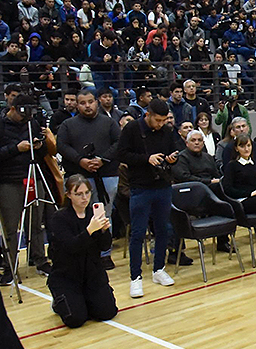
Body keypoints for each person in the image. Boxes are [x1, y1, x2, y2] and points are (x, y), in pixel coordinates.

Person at [116, 99, 179, 298]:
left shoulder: (167, 131)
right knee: (138, 233)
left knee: (163, 230)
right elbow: (122, 154)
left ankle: (158, 269)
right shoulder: (132, 129)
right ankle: (135, 277)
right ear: (148, 115)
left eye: (164, 120)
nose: (160, 124)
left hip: (163, 185)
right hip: (140, 187)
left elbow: (174, 150)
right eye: (158, 120)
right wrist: (146, 159)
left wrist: (171, 158)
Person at [56, 89, 121, 270]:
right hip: (79, 176)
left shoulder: (109, 122)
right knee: (79, 214)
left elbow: (119, 143)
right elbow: (61, 146)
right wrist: (80, 160)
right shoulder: (68, 125)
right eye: (83, 103)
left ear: (96, 102)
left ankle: (104, 253)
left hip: (107, 174)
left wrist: (102, 159)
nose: (87, 106)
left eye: (90, 102)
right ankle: (82, 250)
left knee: (104, 214)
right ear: (77, 105)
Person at [0, 95, 54, 285]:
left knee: (36, 223)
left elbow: (44, 152)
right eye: (22, 113)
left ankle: (40, 260)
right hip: (8, 181)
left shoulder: (32, 123)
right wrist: (16, 148)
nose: (25, 117)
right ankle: (9, 266)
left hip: (33, 177)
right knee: (10, 228)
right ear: (12, 109)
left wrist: (39, 145)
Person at [47, 175, 118, 328]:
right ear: (69, 195)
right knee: (76, 319)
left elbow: (105, 246)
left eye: (87, 193)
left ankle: (84, 299)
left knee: (107, 312)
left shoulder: (94, 215)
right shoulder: (59, 218)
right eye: (78, 194)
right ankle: (60, 300)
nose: (84, 198)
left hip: (92, 273)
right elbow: (71, 247)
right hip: (67, 275)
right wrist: (89, 231)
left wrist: (105, 231)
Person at [223, 134, 256, 216]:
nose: (246, 149)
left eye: (248, 145)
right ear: (236, 148)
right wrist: (250, 193)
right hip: (243, 201)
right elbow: (228, 189)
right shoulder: (232, 165)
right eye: (242, 146)